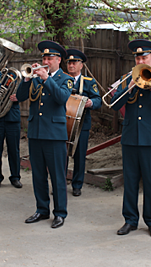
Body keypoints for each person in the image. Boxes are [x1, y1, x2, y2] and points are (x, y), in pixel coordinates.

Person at [110, 39, 151, 239]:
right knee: (130, 181)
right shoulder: (127, 78)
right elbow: (113, 104)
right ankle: (130, 220)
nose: (141, 59)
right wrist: (129, 86)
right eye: (138, 57)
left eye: (144, 57)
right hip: (131, 138)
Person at [17, 40, 73, 229]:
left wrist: (47, 79)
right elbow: (21, 96)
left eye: (49, 58)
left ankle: (60, 213)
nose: (46, 61)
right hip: (36, 133)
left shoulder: (65, 79)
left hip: (55, 134)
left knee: (57, 176)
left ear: (58, 60)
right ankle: (42, 210)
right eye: (44, 58)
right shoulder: (34, 78)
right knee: (38, 175)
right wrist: (26, 79)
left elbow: (62, 98)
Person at [65, 49, 102, 197]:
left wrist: (91, 102)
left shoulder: (88, 82)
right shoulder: (62, 79)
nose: (71, 65)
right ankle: (60, 183)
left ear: (81, 65)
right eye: (69, 63)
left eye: (74, 62)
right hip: (63, 122)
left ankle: (77, 185)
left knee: (80, 156)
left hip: (82, 124)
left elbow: (98, 100)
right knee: (62, 155)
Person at [0, 43, 22, 190]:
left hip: (12, 117)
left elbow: (24, 92)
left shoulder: (13, 75)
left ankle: (15, 177)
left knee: (14, 149)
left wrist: (18, 96)